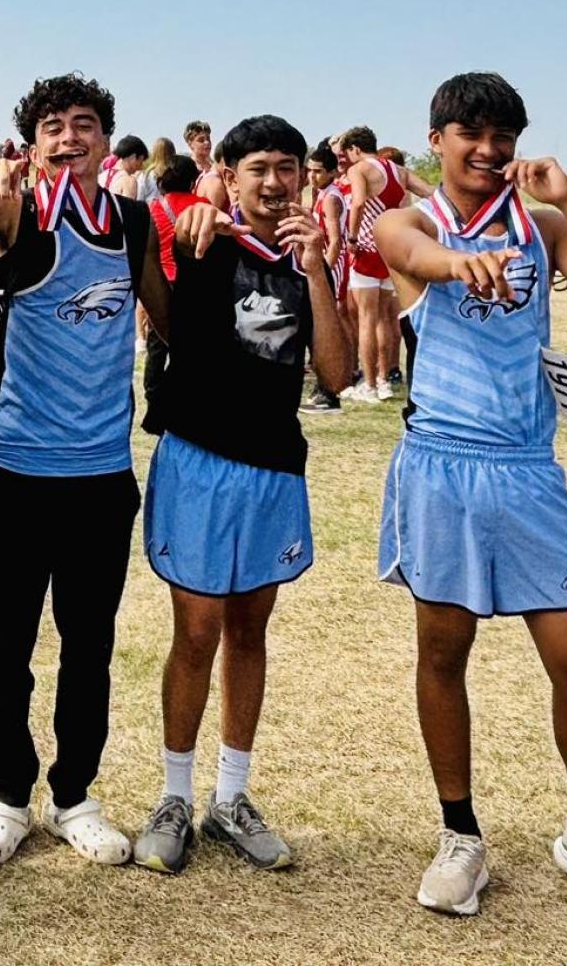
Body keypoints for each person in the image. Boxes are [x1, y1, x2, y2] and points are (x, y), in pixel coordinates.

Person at [375, 71, 567, 917]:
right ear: (437, 140)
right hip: (443, 464)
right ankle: (460, 836)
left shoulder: (538, 225)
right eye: (471, 134)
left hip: (529, 470)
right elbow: (410, 252)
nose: (489, 151)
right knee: (442, 656)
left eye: (503, 136)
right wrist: (462, 262)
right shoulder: (413, 220)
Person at [132, 115, 352, 875]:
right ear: (225, 171)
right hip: (196, 456)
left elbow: (337, 374)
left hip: (271, 466)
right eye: (256, 167)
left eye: (286, 168)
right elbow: (146, 239)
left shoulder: (306, 262)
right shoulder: (200, 236)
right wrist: (189, 211)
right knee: (195, 631)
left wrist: (319, 270)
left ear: (304, 177)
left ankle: (231, 797)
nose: (272, 182)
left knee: (250, 631)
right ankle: (173, 795)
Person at [0, 73, 150, 869]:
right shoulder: (22, 210)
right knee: (6, 647)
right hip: (13, 469)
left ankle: (75, 796)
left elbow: (164, 315)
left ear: (107, 139)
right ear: (32, 144)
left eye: (85, 124)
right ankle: (7, 794)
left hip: (102, 474)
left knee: (89, 645)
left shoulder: (133, 223)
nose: (70, 138)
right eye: (53, 128)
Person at [341, 124, 432, 401]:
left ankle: (368, 385)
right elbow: (430, 193)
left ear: (355, 149)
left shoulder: (360, 170)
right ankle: (383, 379)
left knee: (367, 320)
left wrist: (352, 238)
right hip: (390, 252)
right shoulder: (399, 170)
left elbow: (357, 203)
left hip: (367, 250)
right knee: (385, 319)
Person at [138, 153, 205, 432]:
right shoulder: (203, 208)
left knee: (157, 348)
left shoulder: (153, 209)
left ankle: (154, 405)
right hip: (195, 284)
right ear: (193, 180)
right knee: (190, 347)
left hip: (162, 283)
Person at [301, 141, 350, 414]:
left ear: (332, 173)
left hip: (332, 262)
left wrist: (325, 270)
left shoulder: (331, 197)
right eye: (310, 171)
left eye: (318, 171)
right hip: (325, 262)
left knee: (329, 319)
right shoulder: (321, 195)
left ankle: (329, 389)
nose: (312, 176)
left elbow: (335, 238)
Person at [137, 136, 175, 203]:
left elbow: (139, 198)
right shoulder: (177, 174)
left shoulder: (146, 176)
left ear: (154, 153)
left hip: (150, 211)